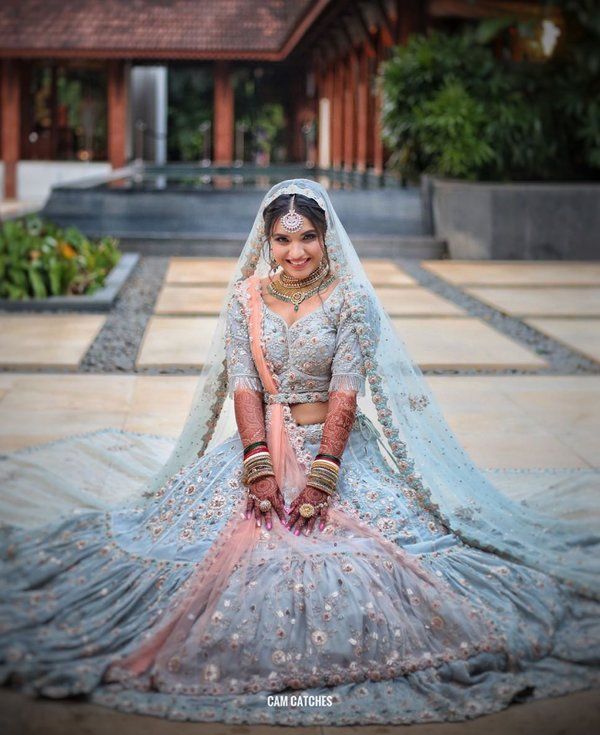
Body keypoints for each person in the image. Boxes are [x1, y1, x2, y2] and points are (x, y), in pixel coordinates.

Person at [1, 179, 599, 727]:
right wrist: (257, 462)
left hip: (338, 455)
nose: (296, 252)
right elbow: (243, 382)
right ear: (267, 240)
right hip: (261, 446)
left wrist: (322, 475)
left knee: (383, 557)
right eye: (284, 240)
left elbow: (346, 390)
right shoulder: (246, 299)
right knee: (188, 546)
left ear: (325, 236)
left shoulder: (348, 301)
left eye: (308, 238)